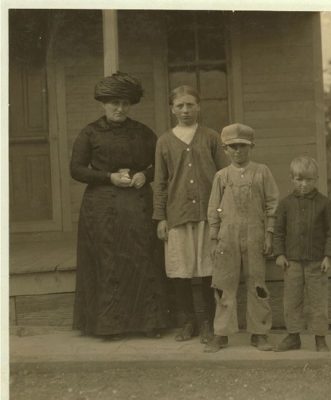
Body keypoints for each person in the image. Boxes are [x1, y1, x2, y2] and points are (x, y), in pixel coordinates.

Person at [70, 72, 170, 340]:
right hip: (101, 207)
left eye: (125, 103)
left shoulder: (143, 132)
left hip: (138, 205)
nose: (119, 108)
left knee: (142, 258)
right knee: (108, 261)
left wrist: (144, 175)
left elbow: (160, 165)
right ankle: (109, 326)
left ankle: (149, 323)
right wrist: (109, 177)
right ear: (103, 103)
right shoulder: (90, 133)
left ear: (131, 105)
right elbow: (76, 170)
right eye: (114, 103)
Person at [153, 85, 229, 342]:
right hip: (177, 214)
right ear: (172, 109)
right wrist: (161, 217)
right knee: (181, 270)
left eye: (190, 105)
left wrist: (223, 213)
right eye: (179, 106)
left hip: (208, 214)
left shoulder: (210, 137)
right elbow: (160, 183)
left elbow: (224, 177)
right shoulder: (164, 141)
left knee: (207, 269)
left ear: (198, 106)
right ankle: (188, 322)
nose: (185, 110)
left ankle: (207, 322)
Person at [205, 123, 279, 353]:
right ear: (225, 150)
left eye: (243, 147)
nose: (238, 151)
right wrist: (215, 238)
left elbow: (272, 204)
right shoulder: (221, 176)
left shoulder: (262, 171)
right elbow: (213, 209)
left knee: (257, 283)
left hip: (255, 234)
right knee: (224, 284)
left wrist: (268, 234)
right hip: (227, 236)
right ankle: (221, 334)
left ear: (251, 147)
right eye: (233, 147)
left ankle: (259, 333)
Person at [273, 156, 331, 352]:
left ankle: (320, 338)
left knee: (318, 301)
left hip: (317, 262)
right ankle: (293, 336)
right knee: (292, 300)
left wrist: (328, 256)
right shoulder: (285, 204)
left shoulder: (324, 203)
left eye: (309, 180)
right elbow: (278, 232)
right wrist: (279, 254)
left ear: (316, 179)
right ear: (292, 179)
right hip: (291, 262)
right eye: (299, 179)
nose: (303, 184)